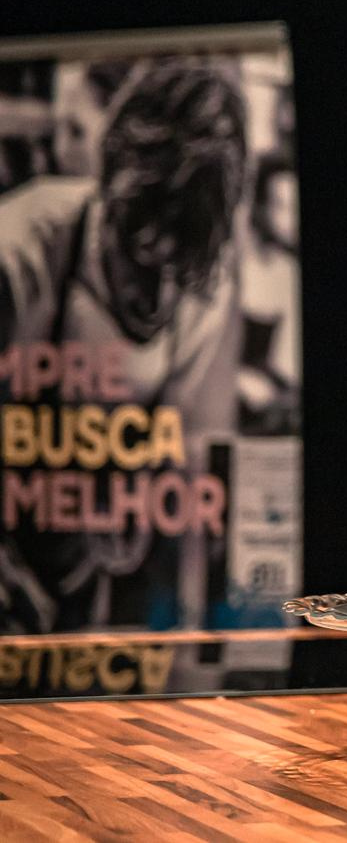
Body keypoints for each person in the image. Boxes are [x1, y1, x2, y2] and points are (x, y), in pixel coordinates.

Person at [0, 60, 246, 632]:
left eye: (177, 272)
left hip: (74, 564)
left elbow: (165, 447)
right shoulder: (18, 255)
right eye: (139, 258)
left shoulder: (207, 285)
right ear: (106, 194)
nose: (155, 298)